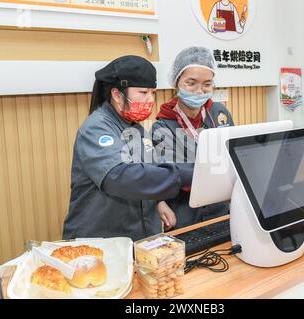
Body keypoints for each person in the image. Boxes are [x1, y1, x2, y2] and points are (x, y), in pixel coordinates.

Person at [63, 55, 193, 241]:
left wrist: (159, 202)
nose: (150, 100)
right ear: (117, 95)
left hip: (137, 239)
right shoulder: (96, 128)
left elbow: (151, 169)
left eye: (152, 93)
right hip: (100, 242)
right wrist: (183, 175)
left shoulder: (136, 128)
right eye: (142, 92)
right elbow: (120, 176)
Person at [152, 47, 234, 230]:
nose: (199, 91)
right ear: (176, 83)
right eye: (191, 83)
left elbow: (233, 154)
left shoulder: (219, 113)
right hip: (185, 213)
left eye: (207, 84)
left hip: (220, 208)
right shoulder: (163, 125)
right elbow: (173, 175)